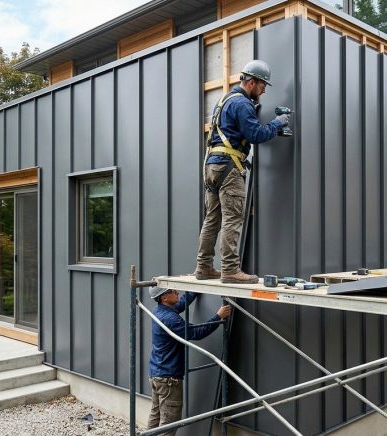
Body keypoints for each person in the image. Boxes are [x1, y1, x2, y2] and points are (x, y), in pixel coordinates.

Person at [194, 59, 290, 284]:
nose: (264, 90)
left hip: (212, 165)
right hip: (229, 167)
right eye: (263, 85)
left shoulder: (225, 100)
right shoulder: (243, 104)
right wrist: (278, 123)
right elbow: (256, 135)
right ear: (252, 82)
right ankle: (230, 270)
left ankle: (204, 267)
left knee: (212, 219)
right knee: (232, 218)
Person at [147, 286, 231, 434]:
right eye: (173, 291)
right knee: (169, 422)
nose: (177, 292)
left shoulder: (160, 311)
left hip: (157, 374)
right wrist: (218, 317)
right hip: (169, 379)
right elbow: (196, 332)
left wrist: (194, 290)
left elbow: (180, 303)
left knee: (156, 415)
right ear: (164, 298)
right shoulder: (170, 319)